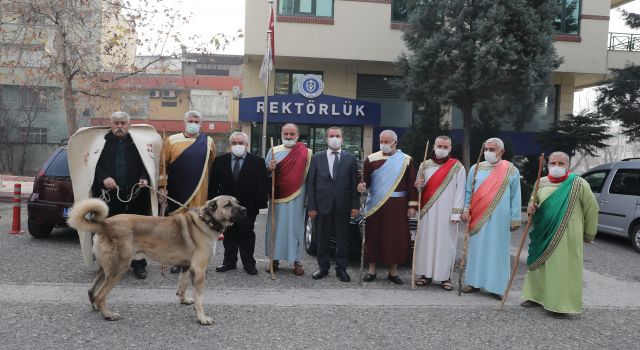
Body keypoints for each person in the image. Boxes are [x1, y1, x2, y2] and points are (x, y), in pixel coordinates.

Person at [521, 152, 598, 316]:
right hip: (542, 233)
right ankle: (534, 297)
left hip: (567, 235)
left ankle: (560, 304)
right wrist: (530, 208)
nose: (556, 166)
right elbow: (532, 203)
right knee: (538, 264)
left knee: (561, 268)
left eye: (561, 163)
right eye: (553, 163)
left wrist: (589, 233)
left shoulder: (578, 184)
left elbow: (591, 209)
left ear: (568, 165)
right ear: (547, 164)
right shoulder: (540, 182)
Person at [91, 111, 152, 279]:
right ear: (110, 124)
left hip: (135, 195)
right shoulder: (99, 143)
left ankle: (138, 265)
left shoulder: (138, 143)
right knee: (107, 231)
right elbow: (92, 166)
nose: (119, 126)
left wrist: (144, 178)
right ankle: (107, 265)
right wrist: (104, 178)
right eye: (116, 123)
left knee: (137, 232)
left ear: (129, 124)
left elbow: (147, 165)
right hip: (108, 196)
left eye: (123, 123)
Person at [460, 137, 521, 297]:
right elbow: (468, 192)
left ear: (501, 151)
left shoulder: (511, 170)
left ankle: (497, 288)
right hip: (478, 216)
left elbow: (516, 197)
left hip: (500, 219)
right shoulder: (476, 168)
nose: (488, 152)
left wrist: (515, 218)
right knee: (477, 250)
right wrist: (465, 208)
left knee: (497, 251)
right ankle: (473, 282)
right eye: (486, 149)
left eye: (492, 150)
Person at [158, 111, 216, 273]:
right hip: (177, 191)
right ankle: (179, 260)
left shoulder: (208, 142)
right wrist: (162, 186)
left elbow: (213, 167)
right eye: (190, 120)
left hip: (201, 192)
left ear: (201, 123)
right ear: (184, 122)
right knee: (178, 228)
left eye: (196, 121)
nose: (193, 123)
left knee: (198, 227)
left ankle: (197, 259)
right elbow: (163, 166)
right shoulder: (171, 140)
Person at [357, 130, 418, 285]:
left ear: (395, 143)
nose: (383, 144)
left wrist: (412, 205)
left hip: (398, 206)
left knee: (395, 238)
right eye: (381, 141)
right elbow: (366, 181)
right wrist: (362, 186)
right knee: (374, 236)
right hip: (376, 206)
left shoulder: (406, 160)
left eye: (386, 142)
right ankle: (371, 270)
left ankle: (393, 272)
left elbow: (411, 184)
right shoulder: (371, 159)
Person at [210, 132, 268, 275]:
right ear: (230, 145)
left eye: (241, 143)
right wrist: (213, 205)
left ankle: (249, 264)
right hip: (226, 209)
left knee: (246, 234)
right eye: (234, 143)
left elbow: (262, 185)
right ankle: (229, 262)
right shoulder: (220, 161)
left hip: (248, 206)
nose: (238, 146)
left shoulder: (258, 161)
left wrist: (259, 205)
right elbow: (213, 184)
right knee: (229, 235)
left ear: (247, 145)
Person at [306, 127, 360, 282]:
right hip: (322, 205)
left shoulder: (350, 158)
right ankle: (323, 267)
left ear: (342, 139)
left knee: (343, 239)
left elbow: (354, 183)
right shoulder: (317, 158)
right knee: (322, 238)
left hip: (343, 205)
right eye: (331, 136)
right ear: (326, 139)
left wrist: (355, 205)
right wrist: (311, 206)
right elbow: (311, 183)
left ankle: (341, 269)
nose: (334, 138)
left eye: (337, 136)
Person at [413, 136, 466, 291]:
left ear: (450, 148)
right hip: (427, 211)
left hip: (448, 213)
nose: (442, 149)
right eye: (439, 146)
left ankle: (445, 277)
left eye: (445, 147)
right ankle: (425, 274)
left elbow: (460, 191)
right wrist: (418, 185)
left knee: (446, 244)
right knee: (426, 242)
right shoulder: (425, 165)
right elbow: (418, 188)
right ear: (434, 146)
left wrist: (457, 213)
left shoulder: (457, 167)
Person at [265, 123, 312, 276]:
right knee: (275, 228)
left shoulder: (306, 153)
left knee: (295, 229)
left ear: (298, 135)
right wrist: (269, 169)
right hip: (277, 197)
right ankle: (274, 259)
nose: (289, 136)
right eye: (286, 133)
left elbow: (310, 178)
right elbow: (264, 175)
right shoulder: (273, 151)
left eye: (292, 133)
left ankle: (297, 261)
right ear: (281, 134)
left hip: (298, 198)